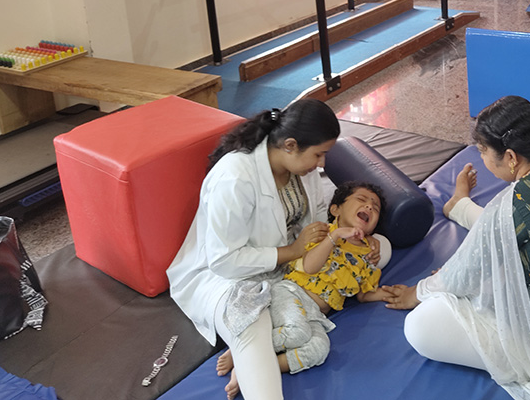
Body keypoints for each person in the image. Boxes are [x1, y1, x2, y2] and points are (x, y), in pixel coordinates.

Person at [167, 99, 390, 400]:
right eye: (319, 154)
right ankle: (249, 362)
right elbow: (223, 260)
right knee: (251, 321)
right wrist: (293, 250)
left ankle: (254, 355)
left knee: (382, 246)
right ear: (290, 145)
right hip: (228, 277)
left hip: (291, 269)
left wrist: (359, 240)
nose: (323, 164)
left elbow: (316, 222)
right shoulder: (235, 178)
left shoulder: (302, 169)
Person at [384, 96, 530, 400]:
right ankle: (459, 206)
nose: (481, 158)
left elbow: (458, 276)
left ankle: (459, 206)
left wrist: (415, 293)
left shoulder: (511, 205)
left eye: (482, 151)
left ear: (510, 157)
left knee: (419, 324)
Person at [216, 181, 395, 399]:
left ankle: (250, 366)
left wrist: (385, 294)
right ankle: (244, 350)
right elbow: (310, 267)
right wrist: (336, 235)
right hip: (290, 293)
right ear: (335, 209)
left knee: (320, 349)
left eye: (375, 208)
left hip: (316, 315)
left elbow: (362, 293)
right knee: (298, 333)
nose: (369, 207)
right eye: (362, 200)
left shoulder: (367, 258)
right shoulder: (321, 233)